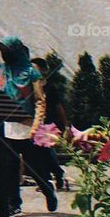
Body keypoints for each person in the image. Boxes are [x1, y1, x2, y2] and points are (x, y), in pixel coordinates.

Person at [0, 36, 56, 213]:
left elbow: (39, 100)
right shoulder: (2, 71)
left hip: (28, 126)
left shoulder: (31, 72)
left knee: (34, 166)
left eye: (8, 50)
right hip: (7, 126)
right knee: (10, 168)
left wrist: (36, 126)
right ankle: (14, 204)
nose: (5, 54)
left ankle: (47, 189)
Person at [31, 55, 69, 190]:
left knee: (47, 152)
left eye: (36, 69)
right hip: (33, 124)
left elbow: (59, 106)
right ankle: (46, 180)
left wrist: (66, 125)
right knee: (38, 154)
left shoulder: (50, 88)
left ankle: (58, 174)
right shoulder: (30, 87)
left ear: (44, 70)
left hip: (47, 124)